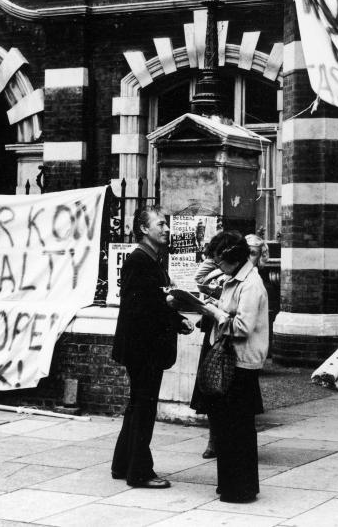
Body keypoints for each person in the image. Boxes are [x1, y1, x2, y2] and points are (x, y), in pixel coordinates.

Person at [111, 206, 195, 489]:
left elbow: (151, 302)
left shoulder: (151, 259)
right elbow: (141, 307)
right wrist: (172, 310)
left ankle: (123, 464)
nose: (167, 229)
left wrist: (175, 315)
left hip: (141, 347)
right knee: (144, 407)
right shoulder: (140, 260)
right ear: (144, 229)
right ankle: (140, 472)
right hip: (143, 348)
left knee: (137, 405)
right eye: (160, 224)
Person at [198, 231, 269, 503]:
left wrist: (214, 312)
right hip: (233, 360)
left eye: (221, 261)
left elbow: (241, 327)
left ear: (234, 258)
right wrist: (216, 305)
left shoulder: (251, 284)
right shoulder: (236, 278)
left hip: (241, 362)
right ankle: (230, 483)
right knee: (228, 427)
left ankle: (239, 487)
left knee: (237, 428)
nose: (218, 267)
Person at [190, 231, 226, 459]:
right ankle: (213, 439)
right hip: (214, 334)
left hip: (230, 336)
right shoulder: (215, 268)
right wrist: (214, 265)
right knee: (211, 388)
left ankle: (224, 438)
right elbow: (199, 279)